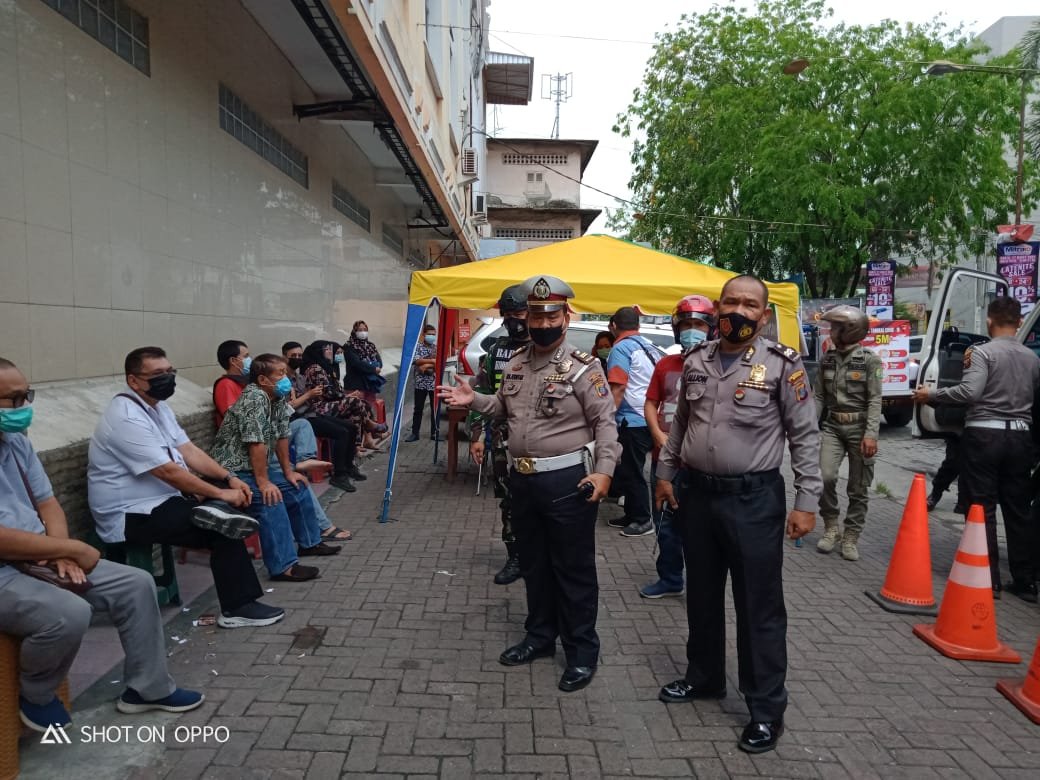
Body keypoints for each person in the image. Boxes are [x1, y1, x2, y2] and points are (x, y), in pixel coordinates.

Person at [655, 275, 821, 754]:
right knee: (702, 596)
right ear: (717, 307)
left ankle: (765, 709)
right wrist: (665, 474)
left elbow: (804, 435)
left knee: (758, 608)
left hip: (754, 501)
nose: (739, 312)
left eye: (750, 305)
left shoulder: (783, 365)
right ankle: (704, 677)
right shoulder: (697, 360)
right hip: (697, 496)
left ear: (764, 315)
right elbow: (681, 422)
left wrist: (807, 501)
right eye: (731, 302)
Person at [438, 275, 620, 694]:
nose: (542, 324)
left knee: (572, 570)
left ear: (566, 317)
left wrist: (605, 470)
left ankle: (581, 652)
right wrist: (474, 400)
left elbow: (605, 424)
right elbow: (503, 407)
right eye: (536, 316)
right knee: (534, 565)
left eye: (551, 316)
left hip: (567, 481)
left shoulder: (584, 367)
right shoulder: (517, 363)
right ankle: (539, 636)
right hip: (522, 479)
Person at [0, 357, 204, 731]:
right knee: (69, 612)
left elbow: (47, 502)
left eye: (26, 395)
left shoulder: (15, 442)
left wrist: (60, 548)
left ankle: (148, 688)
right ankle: (36, 694)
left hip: (41, 554)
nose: (23, 407)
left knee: (135, 584)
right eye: (12, 399)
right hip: (6, 570)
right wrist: (69, 550)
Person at [87, 347, 285, 628]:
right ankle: (238, 608)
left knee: (227, 508)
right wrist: (219, 493)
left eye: (170, 372)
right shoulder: (126, 417)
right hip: (130, 513)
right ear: (133, 380)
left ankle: (217, 512)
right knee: (222, 528)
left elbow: (189, 451)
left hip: (164, 499)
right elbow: (167, 471)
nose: (167, 378)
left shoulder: (158, 407)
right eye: (158, 374)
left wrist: (229, 478)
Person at [912, 297, 1040, 603]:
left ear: (990, 321)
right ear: (1019, 322)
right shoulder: (1032, 359)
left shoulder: (983, 353)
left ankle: (988, 578)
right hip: (1020, 439)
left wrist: (933, 394)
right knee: (1018, 509)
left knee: (982, 507)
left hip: (984, 436)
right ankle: (1025, 581)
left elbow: (970, 392)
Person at [211, 354, 340, 582]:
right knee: (271, 497)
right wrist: (264, 483)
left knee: (297, 486)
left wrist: (289, 472)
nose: (286, 378)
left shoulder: (276, 397)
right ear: (263, 379)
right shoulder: (254, 398)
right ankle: (283, 566)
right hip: (233, 471)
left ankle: (310, 543)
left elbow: (282, 436)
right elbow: (256, 444)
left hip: (253, 468)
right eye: (280, 374)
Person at [639, 295, 715, 599]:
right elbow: (650, 403)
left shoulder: (720, 367)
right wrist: (657, 435)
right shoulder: (665, 364)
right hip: (664, 462)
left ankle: (702, 585)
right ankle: (670, 578)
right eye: (686, 325)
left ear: (711, 329)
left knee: (700, 529)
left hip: (699, 465)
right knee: (665, 524)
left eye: (699, 324)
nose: (692, 330)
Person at [468, 284, 531, 586]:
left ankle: (539, 554)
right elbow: (482, 392)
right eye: (508, 314)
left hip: (539, 439)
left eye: (519, 313)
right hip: (503, 439)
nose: (513, 320)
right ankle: (515, 557)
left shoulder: (544, 347)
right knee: (509, 498)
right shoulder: (495, 351)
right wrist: (477, 436)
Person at [813, 306, 882, 561]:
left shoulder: (869, 360)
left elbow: (875, 399)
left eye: (835, 327)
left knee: (858, 487)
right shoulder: (827, 359)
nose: (830, 331)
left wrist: (871, 434)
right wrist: (808, 426)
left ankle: (851, 535)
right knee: (824, 477)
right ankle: (831, 526)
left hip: (860, 429)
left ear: (849, 330)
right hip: (832, 426)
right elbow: (818, 396)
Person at [283, 341, 355, 541]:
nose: (298, 359)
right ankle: (336, 472)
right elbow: (288, 410)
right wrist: (307, 395)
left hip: (308, 414)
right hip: (301, 418)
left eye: (300, 355)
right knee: (333, 429)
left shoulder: (299, 377)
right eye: (293, 356)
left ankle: (347, 466)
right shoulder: (276, 388)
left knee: (348, 426)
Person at [606, 306, 664, 537]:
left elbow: (618, 388)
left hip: (632, 419)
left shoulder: (620, 348)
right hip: (650, 417)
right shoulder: (650, 346)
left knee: (632, 472)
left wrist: (605, 418)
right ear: (638, 325)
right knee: (630, 469)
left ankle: (642, 520)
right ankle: (631, 514)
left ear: (613, 326)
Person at [301, 340, 387, 454]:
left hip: (329, 403)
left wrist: (345, 396)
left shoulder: (327, 367)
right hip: (319, 407)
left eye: (330, 349)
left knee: (360, 405)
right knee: (355, 402)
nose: (330, 352)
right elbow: (328, 392)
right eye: (327, 349)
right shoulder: (315, 369)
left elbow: (336, 389)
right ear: (319, 351)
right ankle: (369, 425)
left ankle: (356, 445)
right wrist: (346, 396)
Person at [406, 325, 439, 442]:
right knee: (418, 409)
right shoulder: (418, 347)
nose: (432, 336)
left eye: (433, 334)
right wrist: (432, 361)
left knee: (434, 409)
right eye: (429, 334)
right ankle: (415, 433)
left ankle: (434, 433)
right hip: (420, 383)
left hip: (433, 383)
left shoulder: (436, 348)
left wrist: (426, 365)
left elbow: (439, 362)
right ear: (424, 334)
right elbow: (416, 361)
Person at [342, 321, 386, 406]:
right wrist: (373, 368)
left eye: (365, 330)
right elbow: (357, 363)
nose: (363, 332)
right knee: (357, 409)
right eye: (360, 330)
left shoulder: (371, 346)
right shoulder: (349, 346)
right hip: (355, 385)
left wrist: (375, 367)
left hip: (370, 384)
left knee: (369, 409)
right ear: (354, 331)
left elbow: (379, 362)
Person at [213, 340, 251, 429]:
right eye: (246, 356)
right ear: (233, 360)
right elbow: (233, 419)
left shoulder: (245, 382)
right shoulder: (226, 384)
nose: (250, 359)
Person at [927, 434, 965, 512]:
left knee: (975, 467)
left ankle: (964, 500)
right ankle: (935, 494)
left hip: (982, 433)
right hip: (959, 433)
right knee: (952, 463)